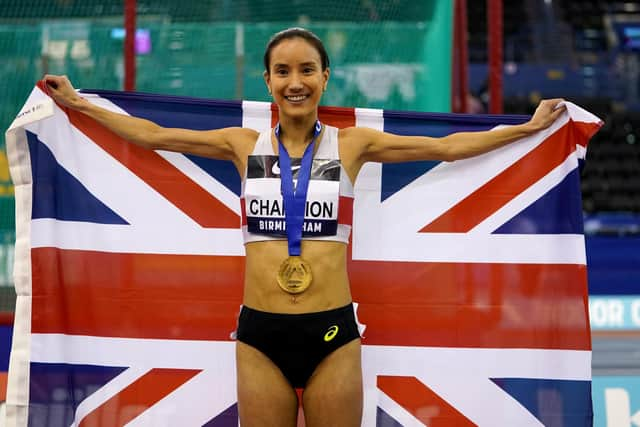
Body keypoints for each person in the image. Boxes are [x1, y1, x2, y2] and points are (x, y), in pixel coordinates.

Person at [43, 27, 565, 427]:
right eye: (284, 71)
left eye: (308, 70)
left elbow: (449, 148)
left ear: (324, 77)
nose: (296, 82)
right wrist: (75, 103)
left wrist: (529, 127)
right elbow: (153, 135)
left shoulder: (353, 145)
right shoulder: (242, 146)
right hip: (259, 336)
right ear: (267, 80)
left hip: (332, 333)